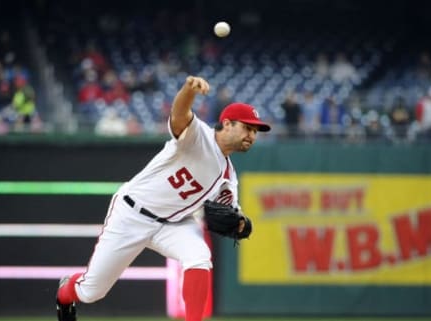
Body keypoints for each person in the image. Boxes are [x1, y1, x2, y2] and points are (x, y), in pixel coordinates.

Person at [55, 75, 271, 321]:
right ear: (228, 124)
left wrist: (242, 224)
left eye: (255, 131)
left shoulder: (229, 178)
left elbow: (233, 216)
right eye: (247, 127)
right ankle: (65, 291)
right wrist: (188, 90)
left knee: (199, 255)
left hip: (173, 224)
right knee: (91, 291)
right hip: (131, 213)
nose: (252, 135)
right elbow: (179, 113)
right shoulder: (198, 135)